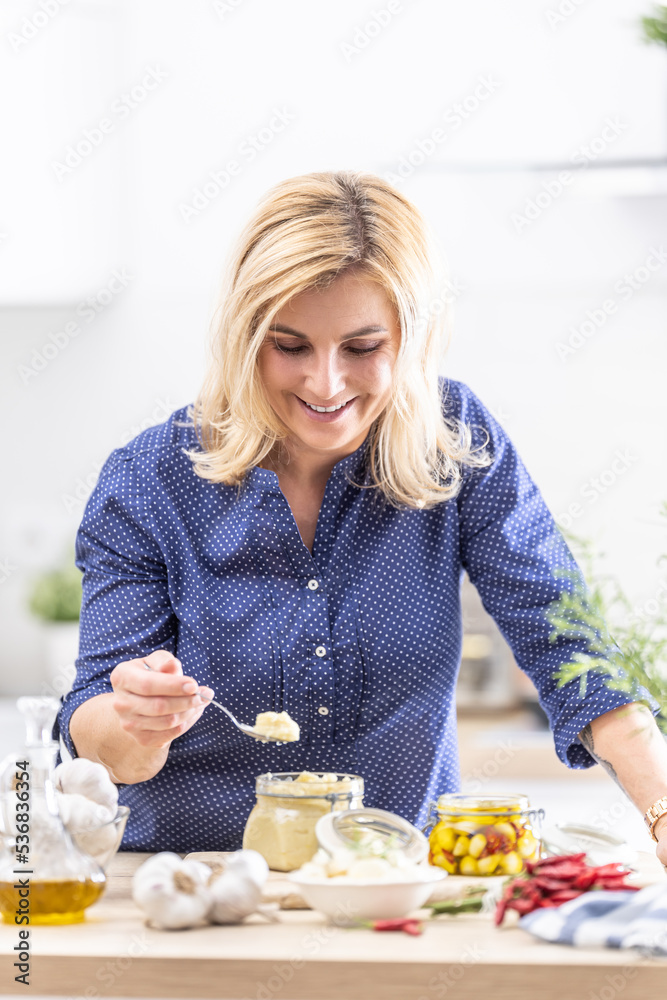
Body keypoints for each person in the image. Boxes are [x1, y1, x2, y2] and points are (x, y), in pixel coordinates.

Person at [56, 170, 667, 862]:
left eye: (362, 347)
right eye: (289, 346)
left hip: (391, 893)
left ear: (413, 337)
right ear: (244, 334)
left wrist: (660, 807)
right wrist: (139, 722)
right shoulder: (150, 481)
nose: (325, 383)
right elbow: (99, 739)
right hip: (192, 897)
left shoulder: (454, 441)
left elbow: (568, 649)